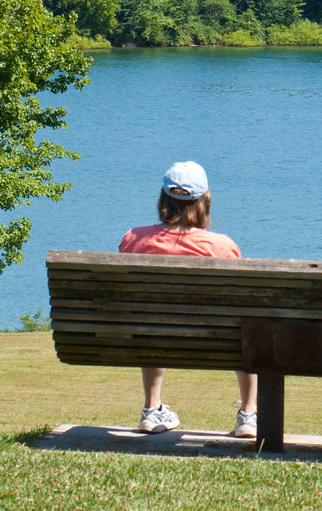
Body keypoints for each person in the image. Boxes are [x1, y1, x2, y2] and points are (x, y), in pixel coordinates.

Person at [118, 161, 259, 437]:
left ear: (163, 200)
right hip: (217, 339)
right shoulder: (221, 246)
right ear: (204, 201)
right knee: (246, 330)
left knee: (152, 318)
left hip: (151, 333)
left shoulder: (133, 239)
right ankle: (249, 414)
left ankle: (152, 408)